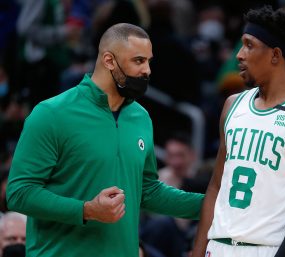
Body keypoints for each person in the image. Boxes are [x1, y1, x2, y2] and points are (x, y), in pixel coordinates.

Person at [6, 23, 203, 257]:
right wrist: (87, 210)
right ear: (109, 60)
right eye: (139, 61)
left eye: (149, 61)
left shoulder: (141, 118)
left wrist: (213, 204)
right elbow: (20, 193)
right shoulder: (51, 114)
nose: (147, 70)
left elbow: (147, 190)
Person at [192, 6, 285, 257]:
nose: (239, 55)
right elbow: (216, 186)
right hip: (218, 246)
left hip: (270, 249)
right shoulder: (232, 105)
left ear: (275, 55)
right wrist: (197, 251)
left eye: (249, 45)